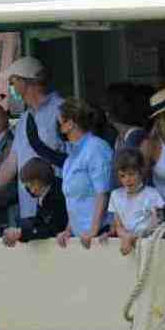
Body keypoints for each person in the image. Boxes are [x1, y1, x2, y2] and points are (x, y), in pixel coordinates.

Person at [0, 57, 65, 222]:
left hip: (59, 210)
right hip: (30, 212)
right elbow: (12, 163)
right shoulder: (25, 119)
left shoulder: (61, 110)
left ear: (24, 82)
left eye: (13, 82)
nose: (12, 88)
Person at [53, 99, 113, 250]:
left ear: (70, 123)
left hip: (100, 236)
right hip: (80, 237)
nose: (58, 127)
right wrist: (68, 230)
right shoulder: (71, 157)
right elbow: (74, 200)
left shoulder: (96, 148)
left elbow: (103, 193)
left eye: (60, 122)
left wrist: (94, 230)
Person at [104, 148, 165, 256]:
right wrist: (125, 237)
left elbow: (157, 224)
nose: (127, 179)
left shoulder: (153, 195)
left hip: (148, 247)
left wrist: (133, 237)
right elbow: (118, 225)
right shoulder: (115, 195)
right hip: (125, 243)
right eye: (123, 176)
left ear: (141, 172)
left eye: (131, 174)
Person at [0, 157, 67, 246]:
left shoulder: (57, 194)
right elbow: (40, 222)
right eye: (28, 186)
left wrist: (22, 233)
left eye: (32, 185)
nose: (31, 190)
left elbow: (52, 229)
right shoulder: (44, 194)